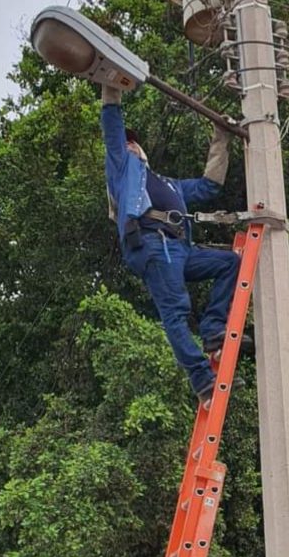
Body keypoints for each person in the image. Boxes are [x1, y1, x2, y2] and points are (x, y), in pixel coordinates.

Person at [101, 83, 246, 404]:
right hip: (153, 244)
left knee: (230, 263)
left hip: (180, 249)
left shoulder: (169, 184)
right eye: (126, 143)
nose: (130, 145)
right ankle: (203, 381)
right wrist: (111, 88)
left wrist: (221, 136)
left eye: (134, 143)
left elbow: (209, 186)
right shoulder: (123, 171)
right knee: (176, 312)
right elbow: (112, 129)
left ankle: (212, 332)